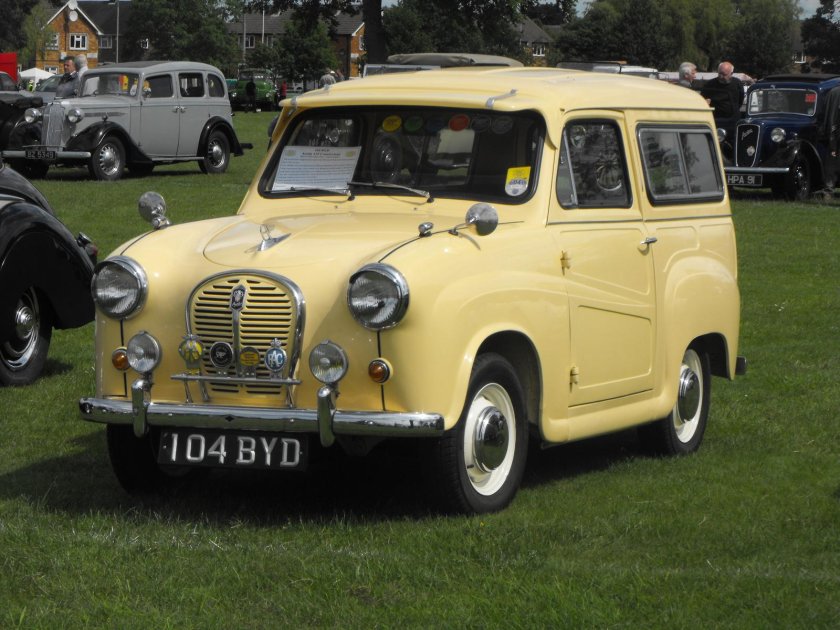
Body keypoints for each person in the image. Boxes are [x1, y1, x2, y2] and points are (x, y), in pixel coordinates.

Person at [700, 61, 744, 138]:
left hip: (733, 120)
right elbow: (702, 100)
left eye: (724, 75)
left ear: (731, 74)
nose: (721, 76)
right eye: (719, 73)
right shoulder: (710, 85)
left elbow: (741, 99)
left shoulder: (737, 84)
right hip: (716, 120)